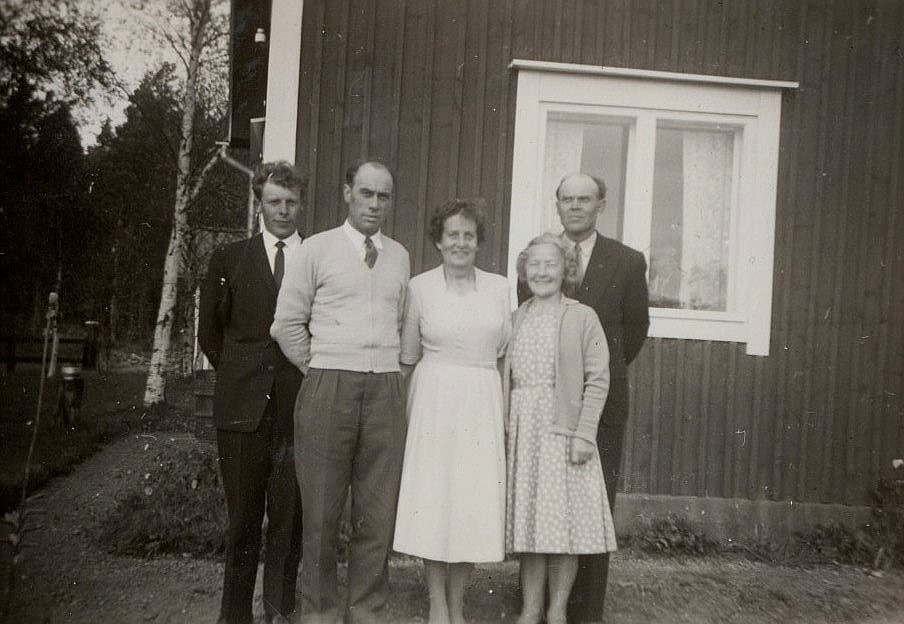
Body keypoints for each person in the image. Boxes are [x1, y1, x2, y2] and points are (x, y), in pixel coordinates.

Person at [270, 160, 410, 624]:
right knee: (322, 514)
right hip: (329, 386)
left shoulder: (399, 256)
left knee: (377, 510)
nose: (374, 204)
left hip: (385, 387)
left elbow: (401, 321)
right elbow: (286, 323)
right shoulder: (316, 250)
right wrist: (321, 366)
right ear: (347, 192)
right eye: (366, 193)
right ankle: (320, 614)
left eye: (383, 196)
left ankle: (366, 610)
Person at [518, 172, 650, 623]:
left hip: (597, 410)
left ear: (601, 205)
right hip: (536, 416)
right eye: (567, 199)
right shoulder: (538, 259)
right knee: (538, 510)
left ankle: (584, 611)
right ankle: (532, 607)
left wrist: (586, 384)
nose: (575, 206)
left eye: (584, 199)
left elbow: (633, 333)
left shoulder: (627, 261)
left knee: (589, 513)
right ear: (557, 205)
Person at [198, 160, 306, 624]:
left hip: (299, 410)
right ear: (259, 203)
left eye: (291, 202)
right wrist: (244, 375)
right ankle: (235, 617)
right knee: (243, 521)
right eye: (274, 201)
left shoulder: (315, 256)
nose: (283, 210)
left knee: (289, 521)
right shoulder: (230, 258)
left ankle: (280, 613)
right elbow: (210, 333)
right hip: (242, 412)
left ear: (301, 204)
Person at [393, 199, 510, 624]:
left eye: (469, 235)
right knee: (435, 500)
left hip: (481, 398)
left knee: (470, 504)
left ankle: (458, 604)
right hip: (434, 398)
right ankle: (436, 603)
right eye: (452, 235)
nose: (460, 242)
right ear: (438, 242)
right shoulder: (420, 288)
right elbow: (408, 354)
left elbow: (503, 354)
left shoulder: (499, 287)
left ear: (479, 242)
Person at [505, 233, 617, 624]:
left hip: (564, 432)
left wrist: (585, 433)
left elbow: (598, 378)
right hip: (524, 432)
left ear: (566, 269)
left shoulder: (582, 316)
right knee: (532, 526)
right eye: (533, 264)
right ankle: (531, 607)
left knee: (564, 526)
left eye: (550, 264)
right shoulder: (517, 316)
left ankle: (556, 610)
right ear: (524, 270)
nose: (541, 272)